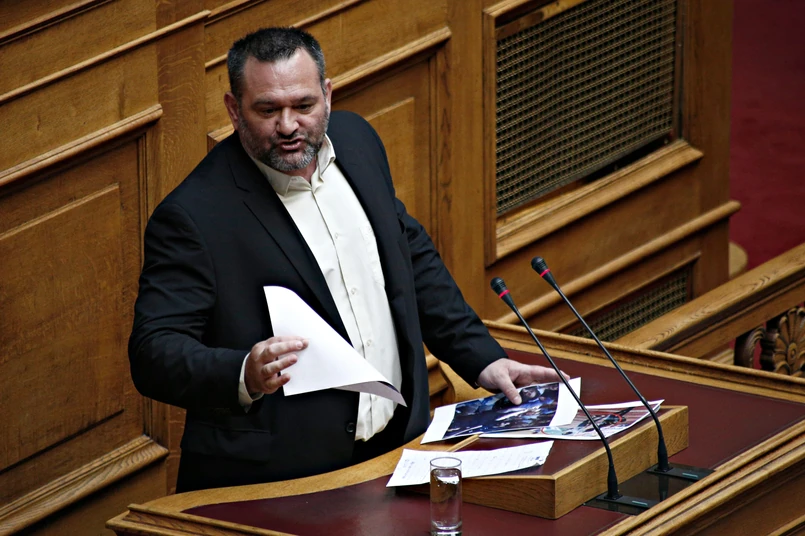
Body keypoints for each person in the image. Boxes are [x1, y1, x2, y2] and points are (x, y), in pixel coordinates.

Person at [128, 27, 561, 492]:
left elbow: (409, 258)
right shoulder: (194, 215)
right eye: (268, 110)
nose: (288, 125)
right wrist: (243, 372)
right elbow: (153, 352)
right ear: (234, 110)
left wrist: (482, 360)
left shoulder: (357, 141)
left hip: (398, 447)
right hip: (282, 482)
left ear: (328, 95)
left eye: (304, 105)